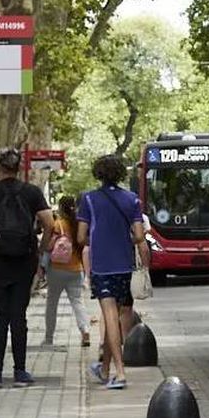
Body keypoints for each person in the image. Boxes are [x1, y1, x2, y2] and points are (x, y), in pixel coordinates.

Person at [0, 148, 55, 388]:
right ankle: (21, 372)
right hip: (24, 261)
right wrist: (41, 249)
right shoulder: (32, 192)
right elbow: (50, 223)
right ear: (19, 168)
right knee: (19, 317)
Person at [78, 155, 150, 390]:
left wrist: (99, 239)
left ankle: (119, 372)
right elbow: (139, 236)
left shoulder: (88, 199)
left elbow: (80, 237)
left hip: (101, 265)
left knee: (109, 317)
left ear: (98, 173)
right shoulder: (131, 199)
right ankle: (105, 368)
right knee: (116, 316)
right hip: (124, 265)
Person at [43, 195, 91, 348]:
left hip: (56, 269)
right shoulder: (80, 224)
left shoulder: (58, 224)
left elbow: (49, 247)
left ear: (61, 208)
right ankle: (85, 331)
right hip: (76, 269)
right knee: (77, 302)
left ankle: (49, 337)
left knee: (52, 304)